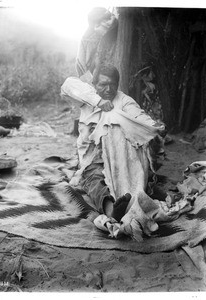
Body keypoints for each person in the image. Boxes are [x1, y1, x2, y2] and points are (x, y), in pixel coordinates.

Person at [61, 64, 166, 231]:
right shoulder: (87, 97)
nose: (109, 89)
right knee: (93, 181)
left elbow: (138, 115)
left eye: (113, 84)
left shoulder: (123, 100)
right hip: (93, 158)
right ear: (94, 84)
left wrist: (153, 126)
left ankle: (133, 198)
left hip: (120, 156)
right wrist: (99, 101)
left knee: (138, 173)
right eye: (103, 84)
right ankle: (112, 209)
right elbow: (67, 85)